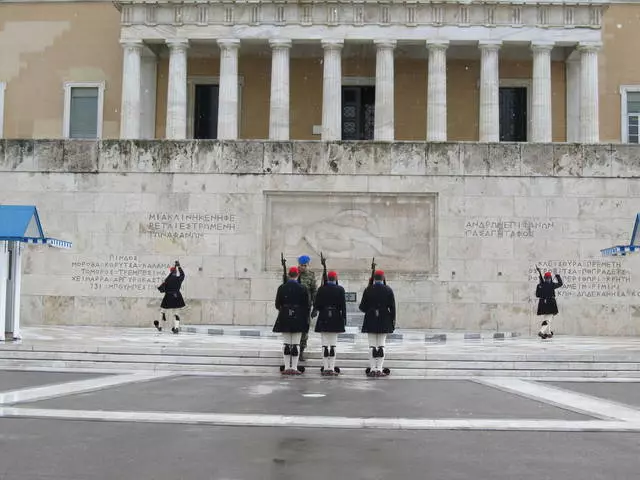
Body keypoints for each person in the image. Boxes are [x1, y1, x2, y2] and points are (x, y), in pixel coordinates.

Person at [273, 266, 310, 375]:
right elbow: (306, 305)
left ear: (289, 275)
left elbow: (277, 304)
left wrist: (285, 310)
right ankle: (293, 367)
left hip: (284, 316)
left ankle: (286, 367)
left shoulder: (281, 287)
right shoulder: (303, 288)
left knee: (286, 344)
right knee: (296, 344)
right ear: (298, 275)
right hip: (298, 317)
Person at [359, 269, 395, 377]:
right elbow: (392, 307)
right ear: (383, 278)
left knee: (372, 346)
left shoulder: (368, 289)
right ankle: (379, 369)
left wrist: (370, 309)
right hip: (384, 319)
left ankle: (373, 369)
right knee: (381, 345)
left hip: (371, 319)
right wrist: (392, 320)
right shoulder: (388, 290)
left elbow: (362, 307)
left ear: (373, 279)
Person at [313, 270, 346, 376]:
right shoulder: (340, 289)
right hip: (336, 316)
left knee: (324, 345)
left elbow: (317, 304)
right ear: (336, 279)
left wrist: (315, 311)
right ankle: (331, 368)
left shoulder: (322, 289)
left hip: (324, 316)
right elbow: (343, 306)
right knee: (333, 345)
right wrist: (344, 318)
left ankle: (325, 367)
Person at [155, 260, 186, 334]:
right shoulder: (179, 279)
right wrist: (179, 267)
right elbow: (183, 275)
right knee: (176, 313)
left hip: (168, 297)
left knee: (162, 311)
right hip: (177, 296)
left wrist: (176, 267)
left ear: (170, 272)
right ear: (176, 272)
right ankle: (176, 328)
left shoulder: (167, 280)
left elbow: (162, 289)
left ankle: (160, 326)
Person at [297, 254, 317, 362]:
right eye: (301, 265)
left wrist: (315, 307)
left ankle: (301, 351)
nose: (303, 267)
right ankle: (292, 350)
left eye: (305, 265)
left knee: (305, 330)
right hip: (295, 308)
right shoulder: (293, 274)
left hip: (306, 308)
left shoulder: (311, 275)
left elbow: (314, 291)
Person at [535, 266, 563, 339]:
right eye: (549, 278)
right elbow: (560, 283)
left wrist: (542, 291)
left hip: (542, 304)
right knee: (548, 319)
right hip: (551, 304)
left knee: (547, 318)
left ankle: (548, 333)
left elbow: (537, 295)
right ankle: (541, 331)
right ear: (550, 278)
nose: (548, 279)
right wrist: (557, 275)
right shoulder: (552, 285)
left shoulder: (539, 285)